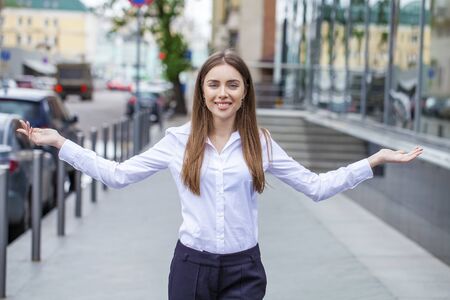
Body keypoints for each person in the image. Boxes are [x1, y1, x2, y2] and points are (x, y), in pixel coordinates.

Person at [17, 49, 423, 300]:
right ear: (203, 91)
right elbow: (118, 175)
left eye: (232, 84)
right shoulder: (178, 141)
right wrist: (60, 144)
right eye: (214, 84)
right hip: (191, 267)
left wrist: (373, 162)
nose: (222, 93)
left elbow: (315, 186)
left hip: (245, 271)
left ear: (245, 90)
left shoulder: (261, 143)